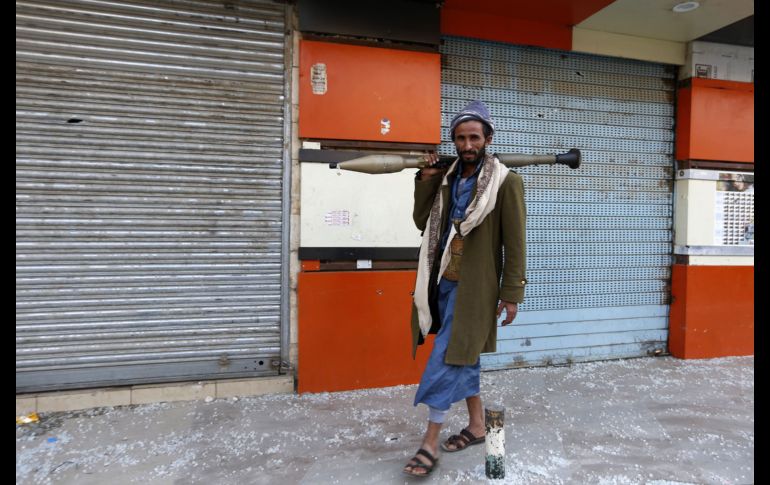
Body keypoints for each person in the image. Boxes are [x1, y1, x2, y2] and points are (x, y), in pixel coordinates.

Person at [403, 100, 527, 477]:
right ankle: (478, 426)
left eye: (474, 137)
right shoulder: (447, 177)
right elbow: (421, 221)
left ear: (488, 138)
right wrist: (426, 179)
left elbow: (515, 243)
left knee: (448, 355)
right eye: (460, 138)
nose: (467, 145)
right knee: (464, 352)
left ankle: (429, 442)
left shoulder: (506, 182)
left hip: (475, 289)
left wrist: (511, 293)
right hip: (440, 281)